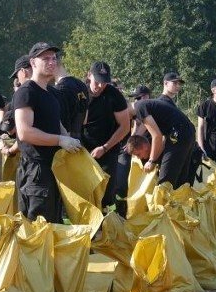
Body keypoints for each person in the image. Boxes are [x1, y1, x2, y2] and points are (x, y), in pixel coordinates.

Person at [13, 42, 82, 223]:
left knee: (53, 224)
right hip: (35, 171)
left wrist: (68, 138)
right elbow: (25, 132)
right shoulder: (26, 92)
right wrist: (60, 140)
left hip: (53, 167)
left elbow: (55, 122)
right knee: (38, 227)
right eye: (45, 58)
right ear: (33, 62)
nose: (51, 62)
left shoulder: (51, 93)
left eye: (53, 58)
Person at [82, 61, 131, 210]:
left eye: (104, 83)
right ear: (89, 76)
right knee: (84, 190)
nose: (100, 86)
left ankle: (108, 227)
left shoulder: (114, 96)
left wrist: (104, 147)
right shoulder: (79, 92)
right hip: (82, 149)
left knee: (107, 193)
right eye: (97, 82)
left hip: (108, 149)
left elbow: (125, 126)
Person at [124, 98, 196, 188]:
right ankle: (178, 200)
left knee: (165, 181)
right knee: (180, 179)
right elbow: (162, 139)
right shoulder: (144, 105)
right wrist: (154, 160)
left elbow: (156, 136)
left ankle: (162, 200)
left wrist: (151, 160)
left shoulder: (140, 107)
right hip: (186, 132)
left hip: (178, 133)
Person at [113, 84, 152, 216]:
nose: (136, 101)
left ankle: (124, 212)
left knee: (123, 185)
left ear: (146, 96)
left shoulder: (146, 110)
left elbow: (139, 130)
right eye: (134, 99)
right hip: (123, 150)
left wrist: (130, 143)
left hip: (136, 152)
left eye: (138, 98)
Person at [54, 56, 90, 139]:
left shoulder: (59, 90)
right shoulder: (82, 84)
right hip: (79, 142)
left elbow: (61, 126)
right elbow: (85, 121)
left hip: (65, 145)